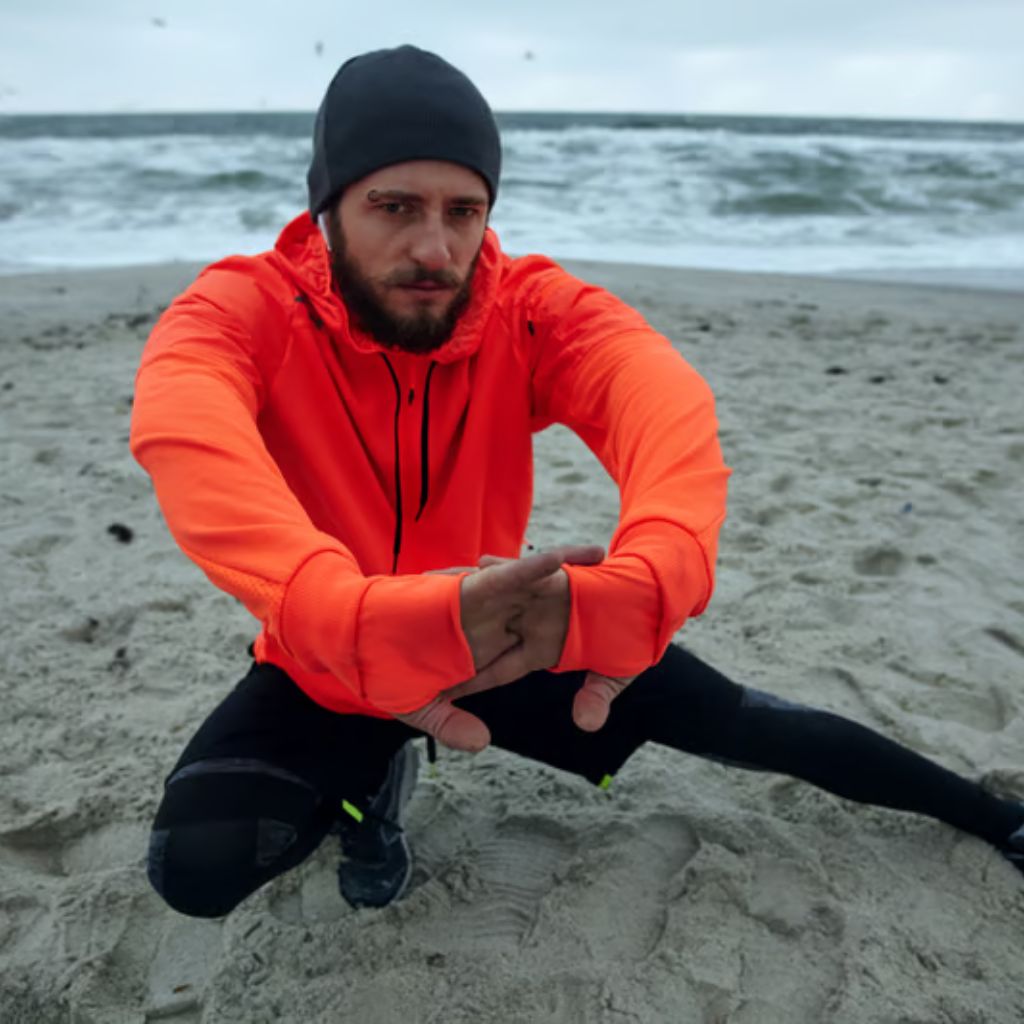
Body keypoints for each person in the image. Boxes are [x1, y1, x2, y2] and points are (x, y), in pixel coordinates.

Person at [130, 44, 1024, 918]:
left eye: (464, 210)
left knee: (749, 722)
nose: (434, 247)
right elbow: (189, 437)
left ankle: (998, 816)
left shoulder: (528, 310)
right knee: (197, 868)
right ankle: (371, 805)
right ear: (328, 206)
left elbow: (656, 396)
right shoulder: (240, 311)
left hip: (505, 630)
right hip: (331, 654)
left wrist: (653, 577)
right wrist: (347, 616)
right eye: (393, 206)